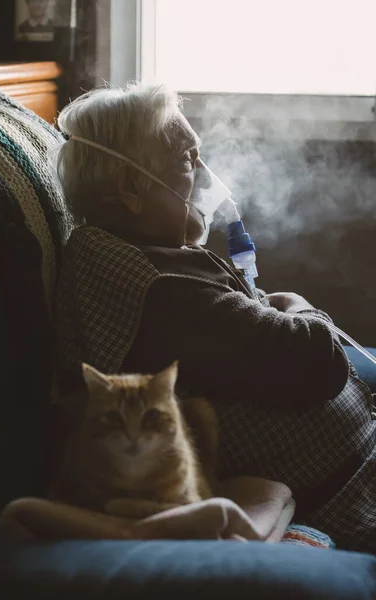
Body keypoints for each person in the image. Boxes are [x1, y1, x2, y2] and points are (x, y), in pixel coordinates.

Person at [53, 82, 376, 554]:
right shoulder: (160, 295)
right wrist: (295, 303)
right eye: (188, 159)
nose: (204, 176)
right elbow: (316, 360)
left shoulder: (156, 253)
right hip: (350, 499)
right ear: (131, 186)